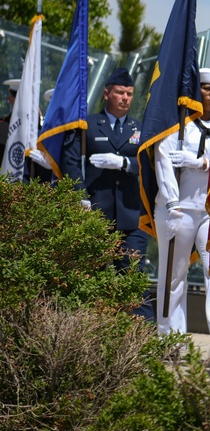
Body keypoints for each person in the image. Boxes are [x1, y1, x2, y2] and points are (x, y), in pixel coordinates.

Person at [152, 68, 210, 357]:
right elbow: (163, 161)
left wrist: (201, 162)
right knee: (173, 276)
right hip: (178, 209)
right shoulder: (177, 127)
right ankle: (170, 339)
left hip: (209, 210)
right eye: (206, 89)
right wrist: (172, 202)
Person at [62, 67, 154, 321]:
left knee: (134, 276)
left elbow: (150, 163)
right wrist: (79, 195)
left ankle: (144, 335)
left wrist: (125, 164)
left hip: (131, 216)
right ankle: (90, 330)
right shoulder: (88, 125)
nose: (125, 98)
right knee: (91, 276)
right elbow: (70, 162)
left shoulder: (140, 128)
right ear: (106, 94)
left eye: (129, 93)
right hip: (96, 214)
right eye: (119, 93)